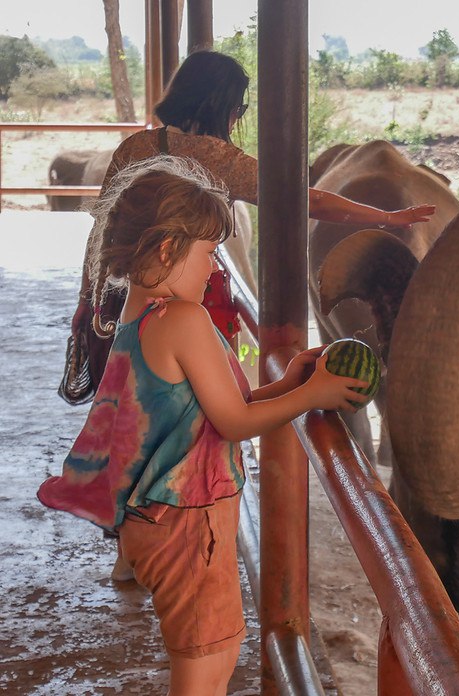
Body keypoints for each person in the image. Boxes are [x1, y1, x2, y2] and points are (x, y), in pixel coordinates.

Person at [39, 156, 368, 696]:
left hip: (162, 521)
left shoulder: (141, 314)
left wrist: (290, 384)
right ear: (168, 249)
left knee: (211, 656)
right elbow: (235, 421)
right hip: (190, 527)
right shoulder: (184, 321)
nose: (217, 268)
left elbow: (216, 407)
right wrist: (315, 395)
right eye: (210, 252)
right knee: (203, 671)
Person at [60, 49, 435, 406]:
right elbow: (310, 200)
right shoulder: (223, 160)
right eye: (238, 107)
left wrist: (84, 298)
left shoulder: (133, 149)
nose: (237, 118)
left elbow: (101, 235)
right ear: (220, 107)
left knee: (137, 405)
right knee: (204, 406)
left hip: (126, 299)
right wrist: (386, 217)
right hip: (198, 304)